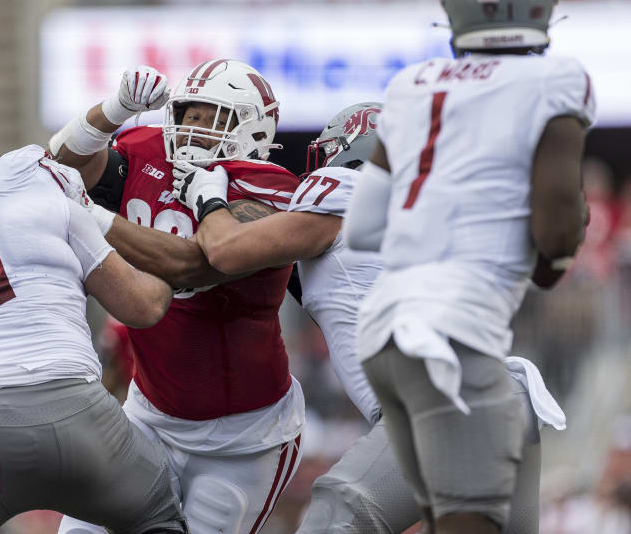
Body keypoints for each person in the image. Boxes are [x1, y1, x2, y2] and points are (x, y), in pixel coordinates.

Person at [172, 101, 567, 534]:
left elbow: (227, 251)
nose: (320, 163)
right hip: (506, 398)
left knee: (338, 511)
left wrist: (208, 197)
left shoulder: (343, 187)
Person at [342, 0, 596, 533]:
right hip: (452, 335)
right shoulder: (556, 80)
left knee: (456, 519)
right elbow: (557, 228)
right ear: (541, 8)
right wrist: (552, 258)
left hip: (382, 335)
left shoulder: (412, 85)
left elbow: (364, 227)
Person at [0, 107, 186, 534]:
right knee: (160, 513)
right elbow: (142, 307)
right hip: (80, 416)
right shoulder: (33, 178)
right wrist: (179, 271)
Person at [50, 60, 305, 534]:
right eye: (191, 114)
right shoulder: (147, 152)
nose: (196, 129)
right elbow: (57, 169)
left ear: (254, 128)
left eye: (215, 117)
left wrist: (90, 217)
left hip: (243, 437)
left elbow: (188, 266)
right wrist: (111, 111)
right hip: (150, 413)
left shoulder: (270, 187)